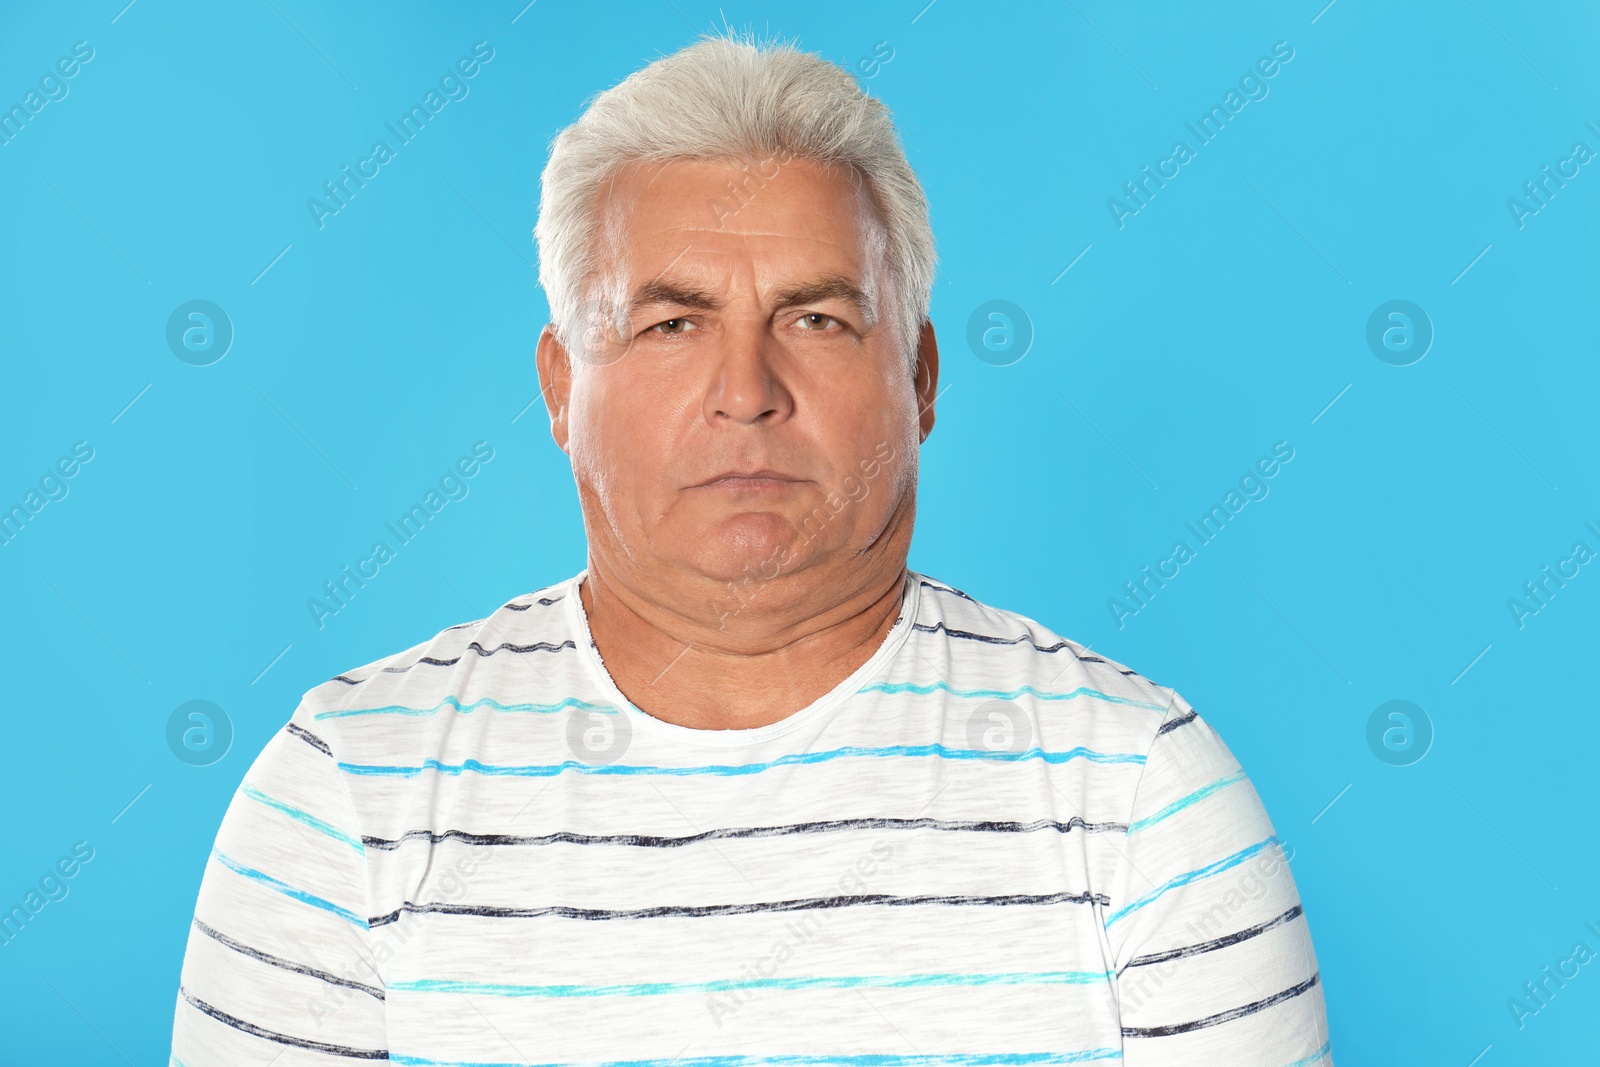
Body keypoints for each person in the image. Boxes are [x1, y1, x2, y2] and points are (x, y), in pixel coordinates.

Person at [170, 29, 1333, 1066]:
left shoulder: (1144, 801)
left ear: (919, 377)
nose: (746, 392)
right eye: (673, 323)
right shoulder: (344, 792)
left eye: (815, 318)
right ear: (561, 387)